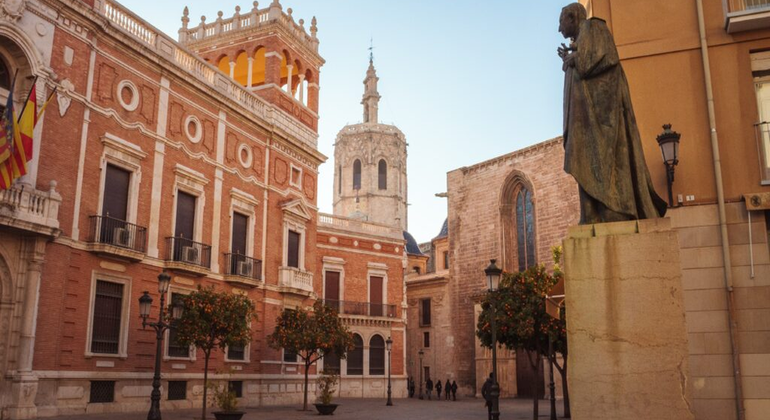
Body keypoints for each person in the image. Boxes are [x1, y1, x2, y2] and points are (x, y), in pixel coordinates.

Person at [558, 3, 667, 225]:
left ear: (572, 17)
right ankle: (590, 214)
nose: (559, 29)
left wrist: (574, 59)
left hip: (601, 119)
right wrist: (571, 59)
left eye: (561, 22)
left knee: (603, 160)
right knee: (581, 159)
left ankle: (613, 209)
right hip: (585, 118)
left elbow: (602, 59)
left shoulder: (594, 28)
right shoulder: (582, 39)